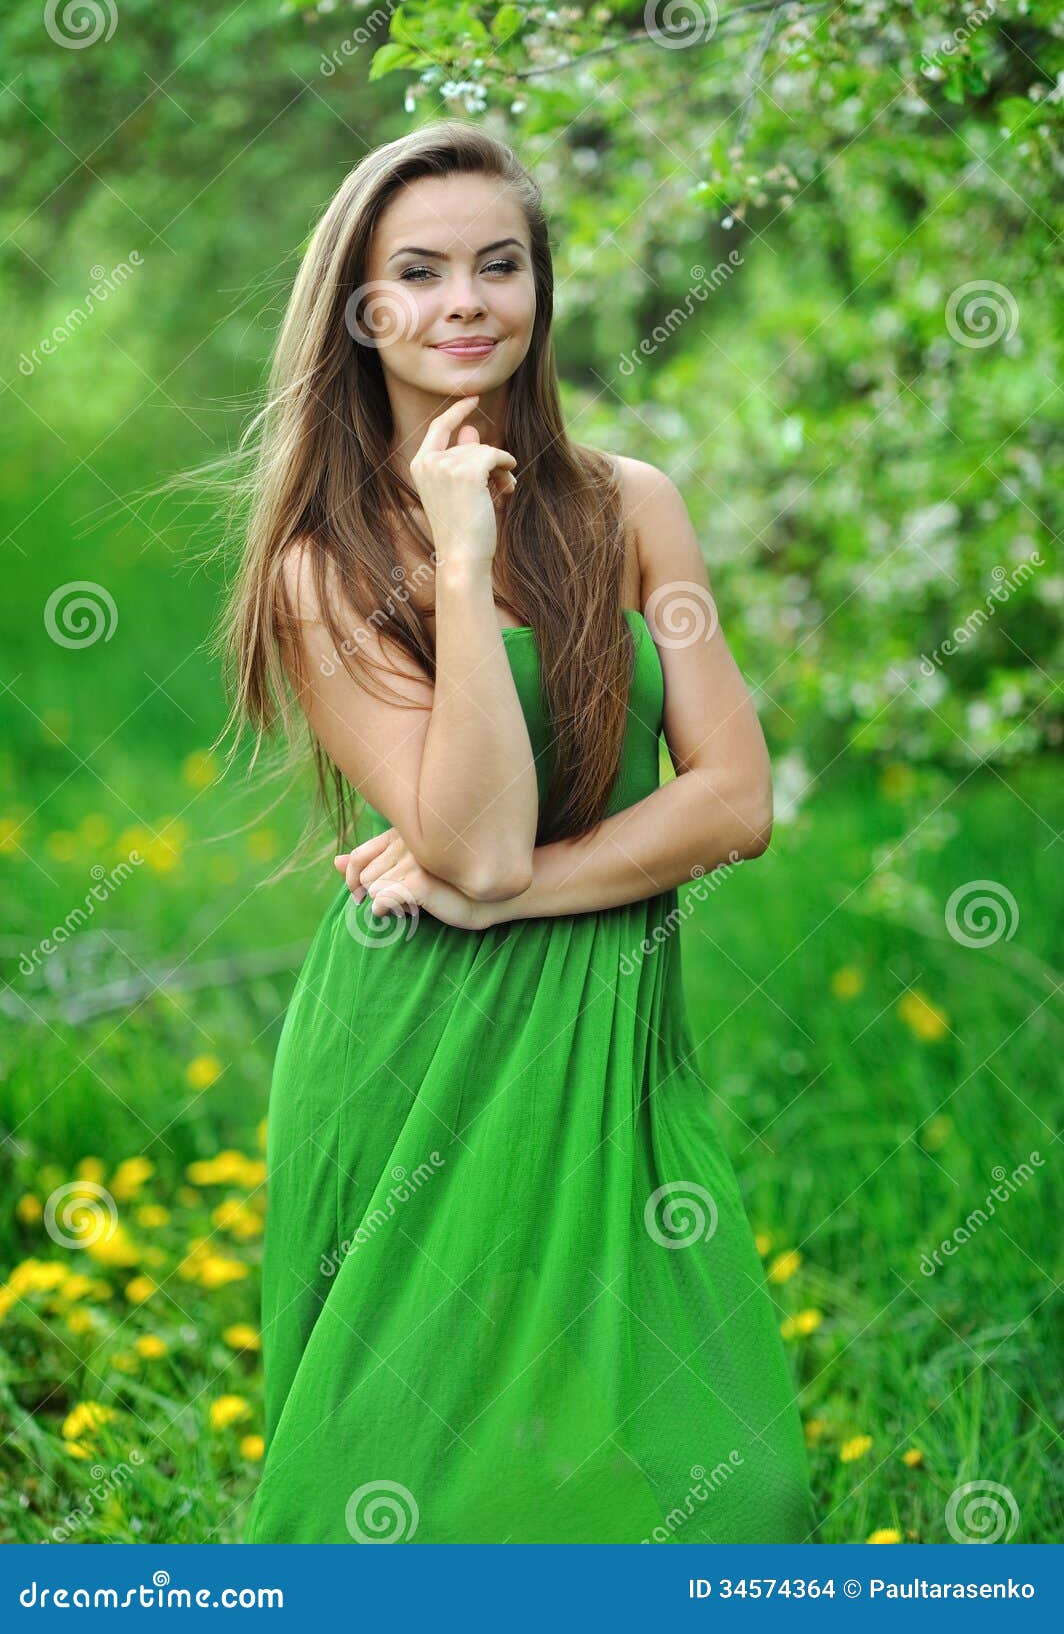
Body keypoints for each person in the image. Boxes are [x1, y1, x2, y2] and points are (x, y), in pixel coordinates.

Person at [223, 120, 813, 1544]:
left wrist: (515, 893)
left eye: (501, 264)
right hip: (417, 1049)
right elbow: (468, 841)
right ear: (360, 312)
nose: (465, 300)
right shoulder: (324, 565)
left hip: (610, 1033)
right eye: (417, 273)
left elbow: (733, 798)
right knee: (423, 1495)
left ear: (541, 290)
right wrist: (465, 556)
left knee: (727, 1486)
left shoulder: (632, 507)